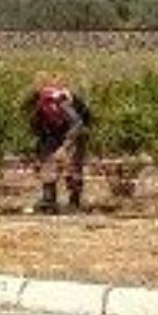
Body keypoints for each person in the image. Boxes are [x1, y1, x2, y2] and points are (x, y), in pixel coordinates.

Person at [24, 78, 92, 213]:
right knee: (48, 163)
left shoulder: (59, 102)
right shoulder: (38, 111)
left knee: (72, 166)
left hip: (77, 130)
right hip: (56, 131)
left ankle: (74, 203)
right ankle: (49, 200)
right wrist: (40, 153)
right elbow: (39, 131)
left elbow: (78, 123)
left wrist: (65, 145)